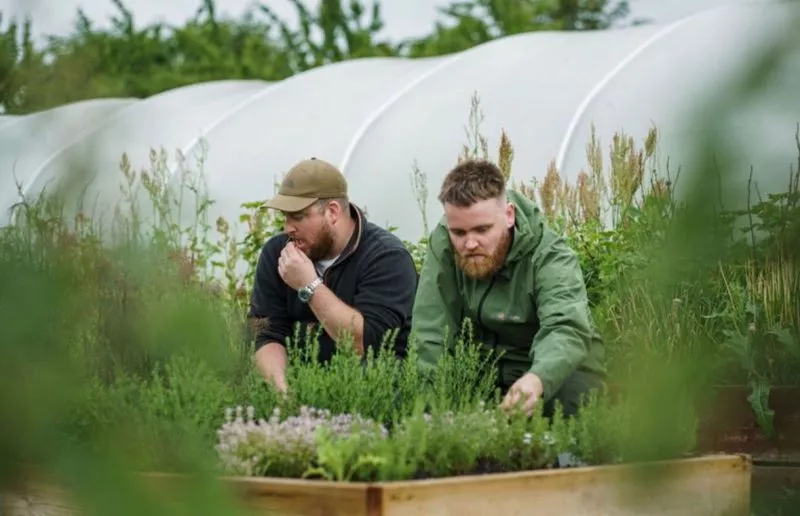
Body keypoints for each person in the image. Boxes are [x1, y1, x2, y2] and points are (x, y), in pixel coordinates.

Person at [411, 158, 607, 418]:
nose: (470, 243)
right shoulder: (443, 244)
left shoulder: (549, 254)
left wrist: (537, 379)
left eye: (482, 229)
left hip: (554, 369)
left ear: (509, 215)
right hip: (484, 369)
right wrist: (429, 409)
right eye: (459, 233)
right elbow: (430, 328)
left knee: (567, 407)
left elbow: (565, 328)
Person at [248, 157, 418, 394]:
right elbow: (267, 334)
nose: (288, 228)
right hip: (296, 385)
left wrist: (309, 285)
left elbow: (365, 344)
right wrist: (283, 395)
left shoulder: (386, 257)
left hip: (371, 394)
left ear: (332, 212)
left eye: (297, 217)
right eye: (285, 217)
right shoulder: (277, 253)